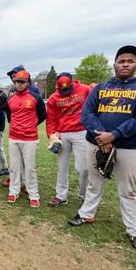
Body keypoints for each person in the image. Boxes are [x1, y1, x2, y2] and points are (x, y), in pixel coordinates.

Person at [67, 45, 136, 253]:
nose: (125, 64)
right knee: (94, 182)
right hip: (97, 143)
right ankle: (86, 213)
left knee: (127, 190)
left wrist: (114, 135)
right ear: (115, 63)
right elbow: (87, 115)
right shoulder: (100, 88)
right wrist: (103, 137)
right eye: (121, 61)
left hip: (129, 147)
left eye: (130, 60)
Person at [46, 72, 91, 206]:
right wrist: (52, 135)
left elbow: (93, 108)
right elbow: (51, 119)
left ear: (73, 82)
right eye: (62, 90)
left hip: (81, 131)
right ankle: (61, 195)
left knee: (83, 168)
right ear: (57, 87)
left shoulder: (85, 89)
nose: (65, 92)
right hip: (63, 133)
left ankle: (84, 195)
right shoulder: (54, 98)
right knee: (62, 167)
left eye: (67, 89)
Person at [5, 70, 46, 207]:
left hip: (30, 139)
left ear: (28, 83)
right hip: (14, 138)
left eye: (22, 82)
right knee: (14, 167)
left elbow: (42, 115)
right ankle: (13, 191)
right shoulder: (10, 99)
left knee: (30, 168)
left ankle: (33, 194)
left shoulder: (36, 98)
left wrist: (31, 125)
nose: (19, 84)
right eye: (17, 81)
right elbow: (10, 118)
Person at [1, 65, 41, 188]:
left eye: (15, 74)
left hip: (29, 134)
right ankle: (16, 182)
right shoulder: (12, 91)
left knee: (27, 162)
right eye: (13, 77)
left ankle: (26, 183)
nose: (14, 78)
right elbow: (10, 113)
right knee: (15, 161)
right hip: (15, 133)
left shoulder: (33, 90)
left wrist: (30, 124)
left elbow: (41, 113)